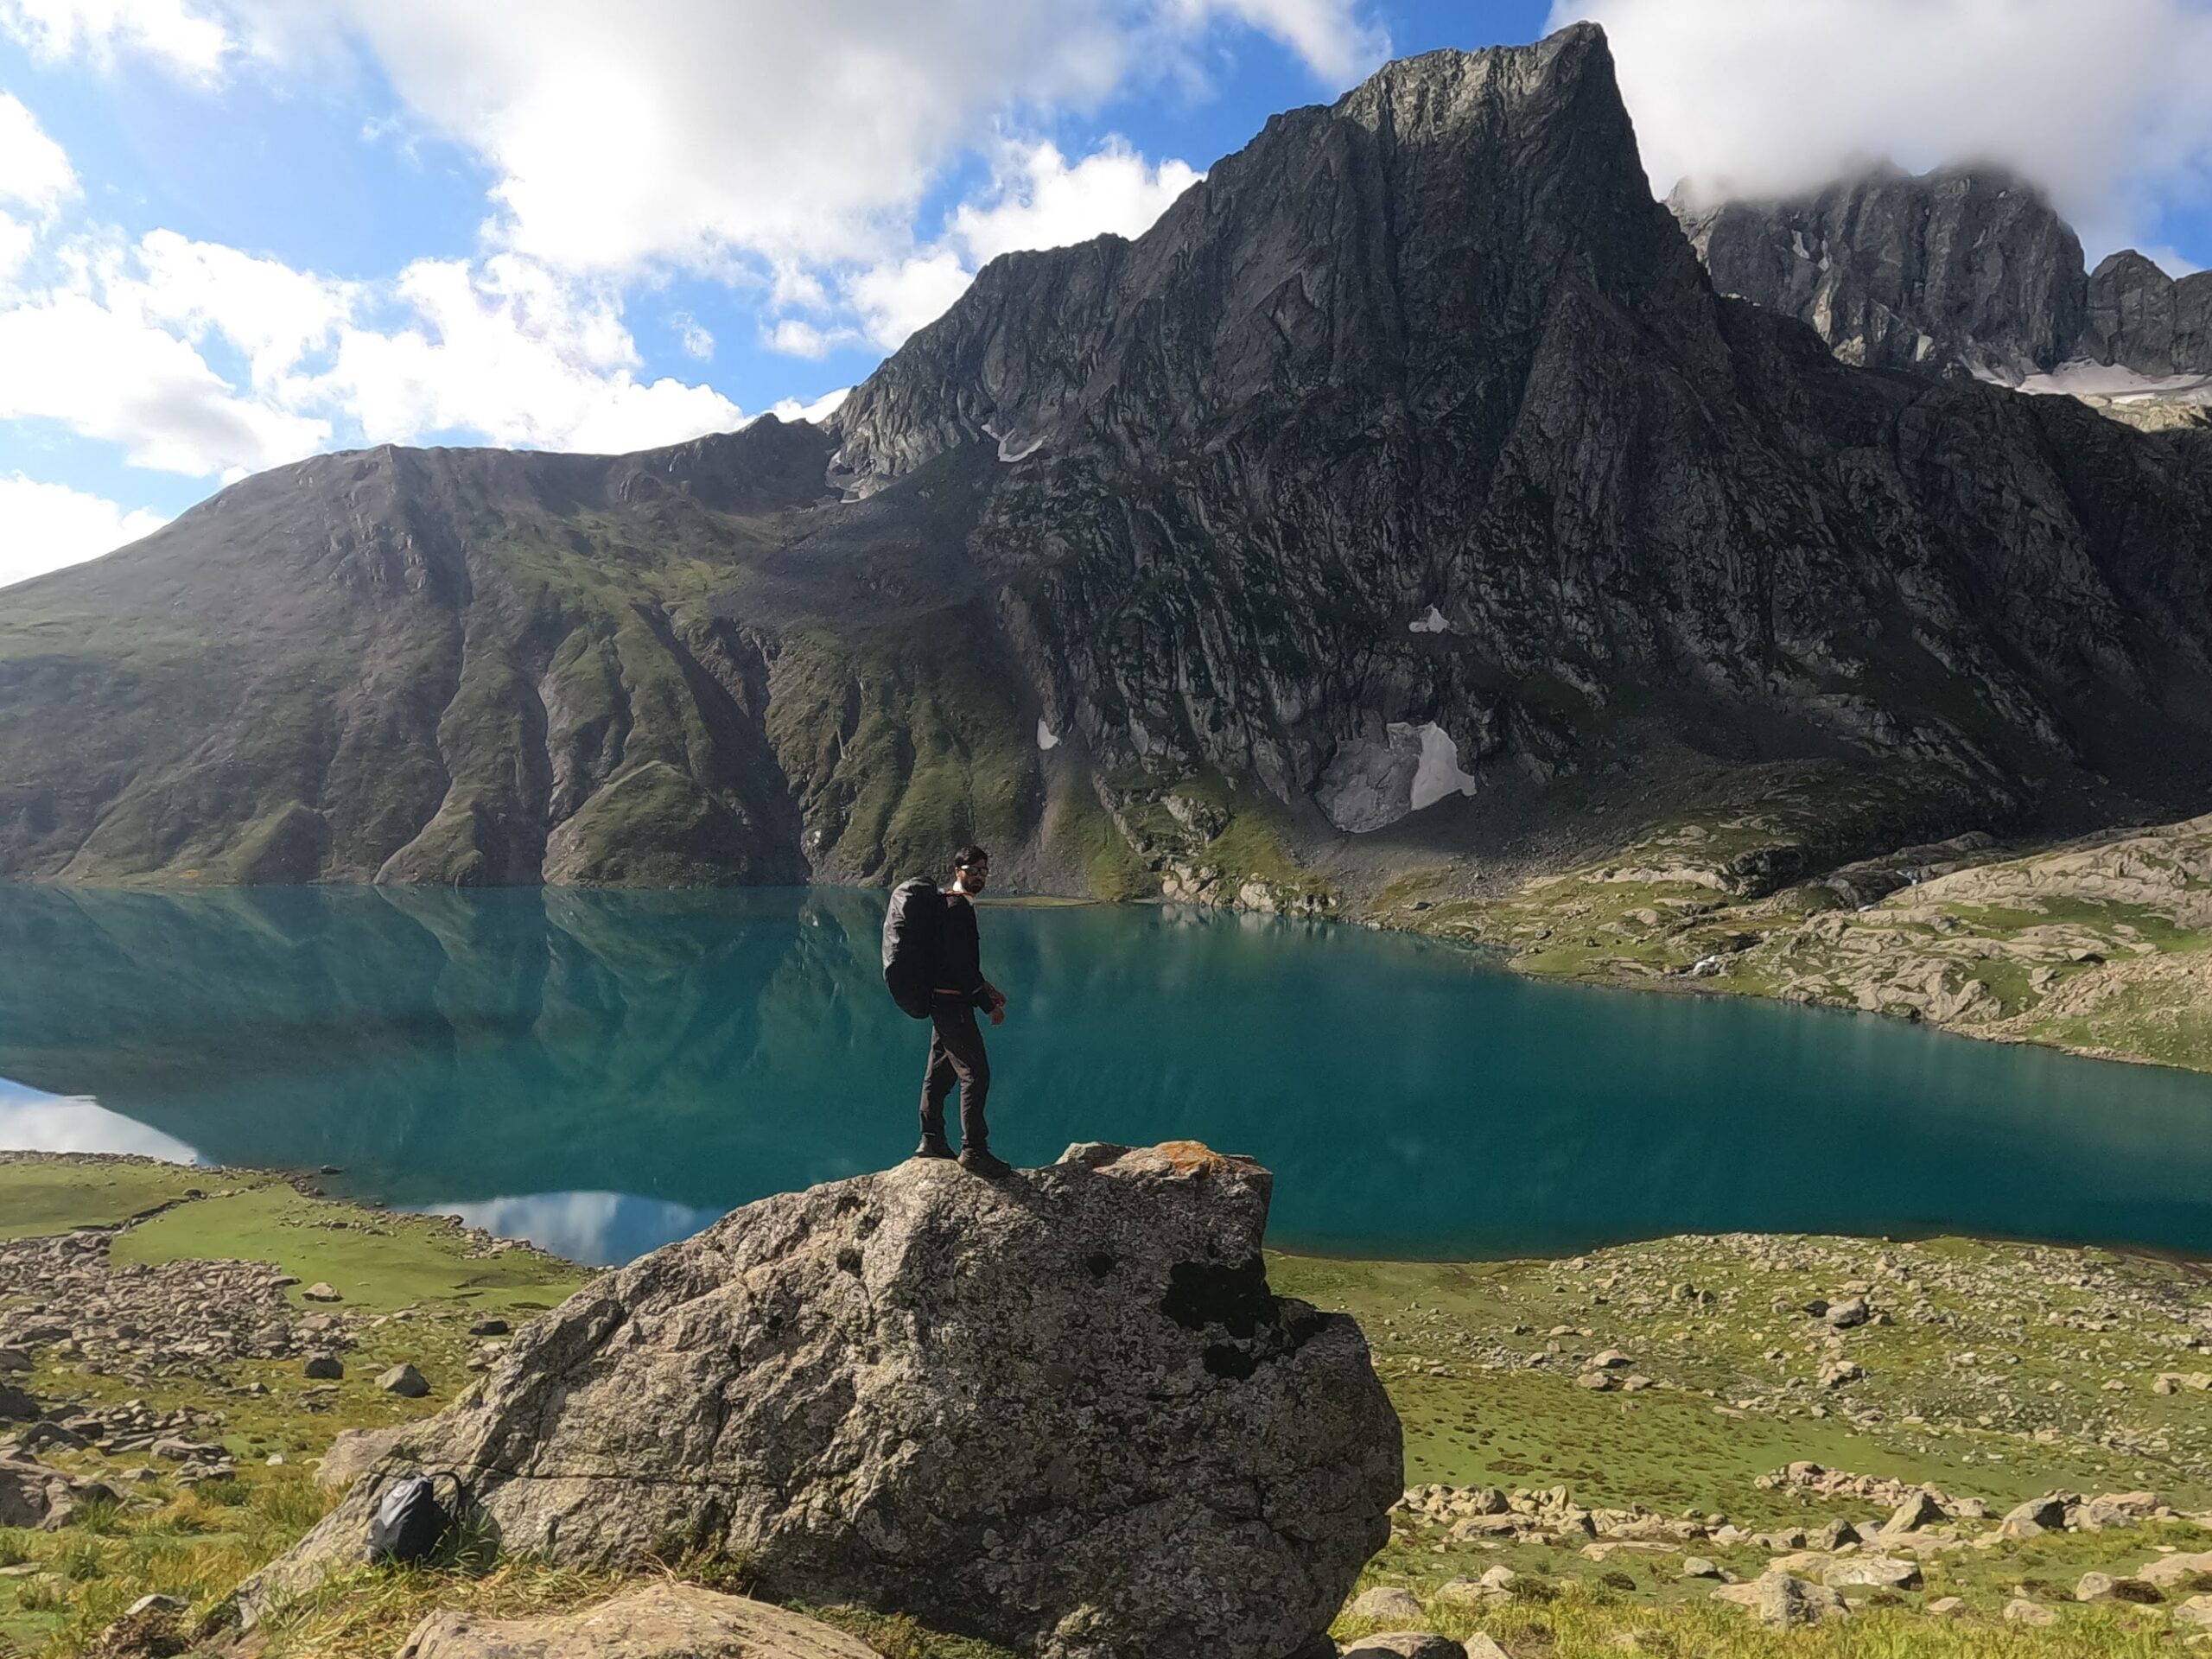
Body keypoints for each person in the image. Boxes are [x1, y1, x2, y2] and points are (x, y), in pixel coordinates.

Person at [916, 845, 1012, 1176]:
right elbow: (959, 966)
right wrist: (988, 1006)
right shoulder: (958, 909)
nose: (980, 876)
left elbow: (956, 962)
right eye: (974, 870)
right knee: (976, 1074)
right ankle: (974, 1150)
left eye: (984, 871)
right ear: (958, 870)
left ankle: (931, 1140)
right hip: (953, 1004)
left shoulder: (947, 904)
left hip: (941, 1002)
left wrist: (988, 988)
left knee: (941, 1072)